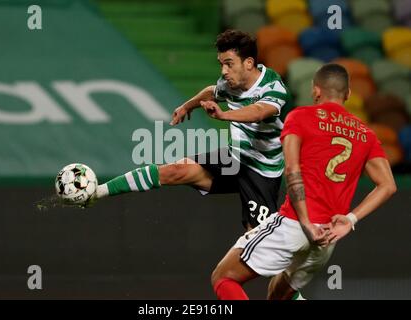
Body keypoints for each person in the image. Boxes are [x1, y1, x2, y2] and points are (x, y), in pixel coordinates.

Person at [210, 63, 397, 300]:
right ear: (348, 94)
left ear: (315, 91)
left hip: (295, 223)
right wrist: (350, 220)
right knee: (278, 294)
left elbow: (292, 169)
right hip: (328, 235)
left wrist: (306, 222)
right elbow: (388, 185)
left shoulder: (300, 117)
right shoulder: (366, 134)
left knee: (224, 277)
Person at [93, 29, 294, 231]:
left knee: (257, 242)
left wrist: (223, 115)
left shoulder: (273, 86)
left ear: (248, 63)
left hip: (262, 171)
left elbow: (258, 111)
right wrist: (186, 107)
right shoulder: (230, 83)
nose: (224, 71)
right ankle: (97, 191)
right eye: (221, 64)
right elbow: (211, 91)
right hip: (236, 158)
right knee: (176, 170)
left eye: (229, 64)